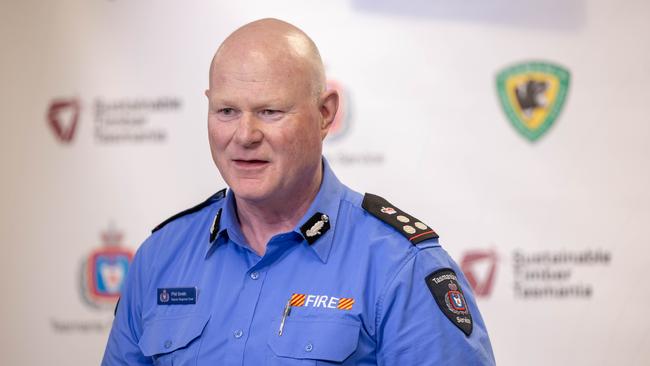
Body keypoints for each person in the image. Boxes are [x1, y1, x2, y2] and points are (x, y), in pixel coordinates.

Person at [102, 18, 495, 365]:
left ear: (325, 114)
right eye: (227, 111)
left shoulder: (401, 266)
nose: (245, 135)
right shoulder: (160, 258)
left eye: (270, 111)